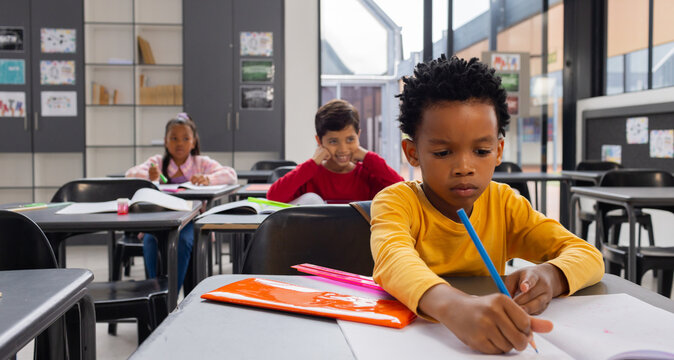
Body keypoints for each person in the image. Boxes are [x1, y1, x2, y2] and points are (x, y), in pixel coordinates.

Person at [370, 55, 604, 354]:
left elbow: (588, 255)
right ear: (412, 153)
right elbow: (393, 261)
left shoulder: (504, 203)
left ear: (498, 151)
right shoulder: (397, 202)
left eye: (481, 150)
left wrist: (551, 276)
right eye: (443, 152)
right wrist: (455, 307)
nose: (465, 167)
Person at [126, 113, 237, 290]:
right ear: (165, 141)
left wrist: (208, 179)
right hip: (159, 220)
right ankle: (157, 294)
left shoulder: (201, 163)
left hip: (190, 222)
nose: (179, 143)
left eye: (186, 138)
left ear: (193, 142)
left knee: (184, 242)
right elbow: (130, 174)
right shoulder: (158, 163)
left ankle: (169, 297)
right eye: (174, 138)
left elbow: (231, 175)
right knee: (150, 241)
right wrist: (149, 175)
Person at [267, 99, 403, 203]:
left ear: (358, 136)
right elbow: (273, 197)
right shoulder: (310, 176)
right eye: (333, 141)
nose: (343, 149)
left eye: (350, 139)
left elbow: (403, 191)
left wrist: (369, 157)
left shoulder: (368, 175)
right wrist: (313, 163)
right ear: (319, 141)